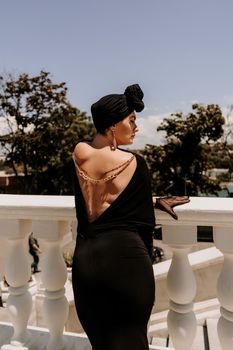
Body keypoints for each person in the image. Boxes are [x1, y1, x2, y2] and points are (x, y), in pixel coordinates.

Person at [72, 84, 189, 350]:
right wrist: (156, 201)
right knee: (132, 341)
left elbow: (106, 197)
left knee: (101, 341)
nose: (136, 127)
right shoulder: (134, 163)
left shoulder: (79, 153)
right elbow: (141, 220)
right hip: (126, 265)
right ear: (113, 125)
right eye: (132, 120)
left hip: (86, 263)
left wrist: (149, 200)